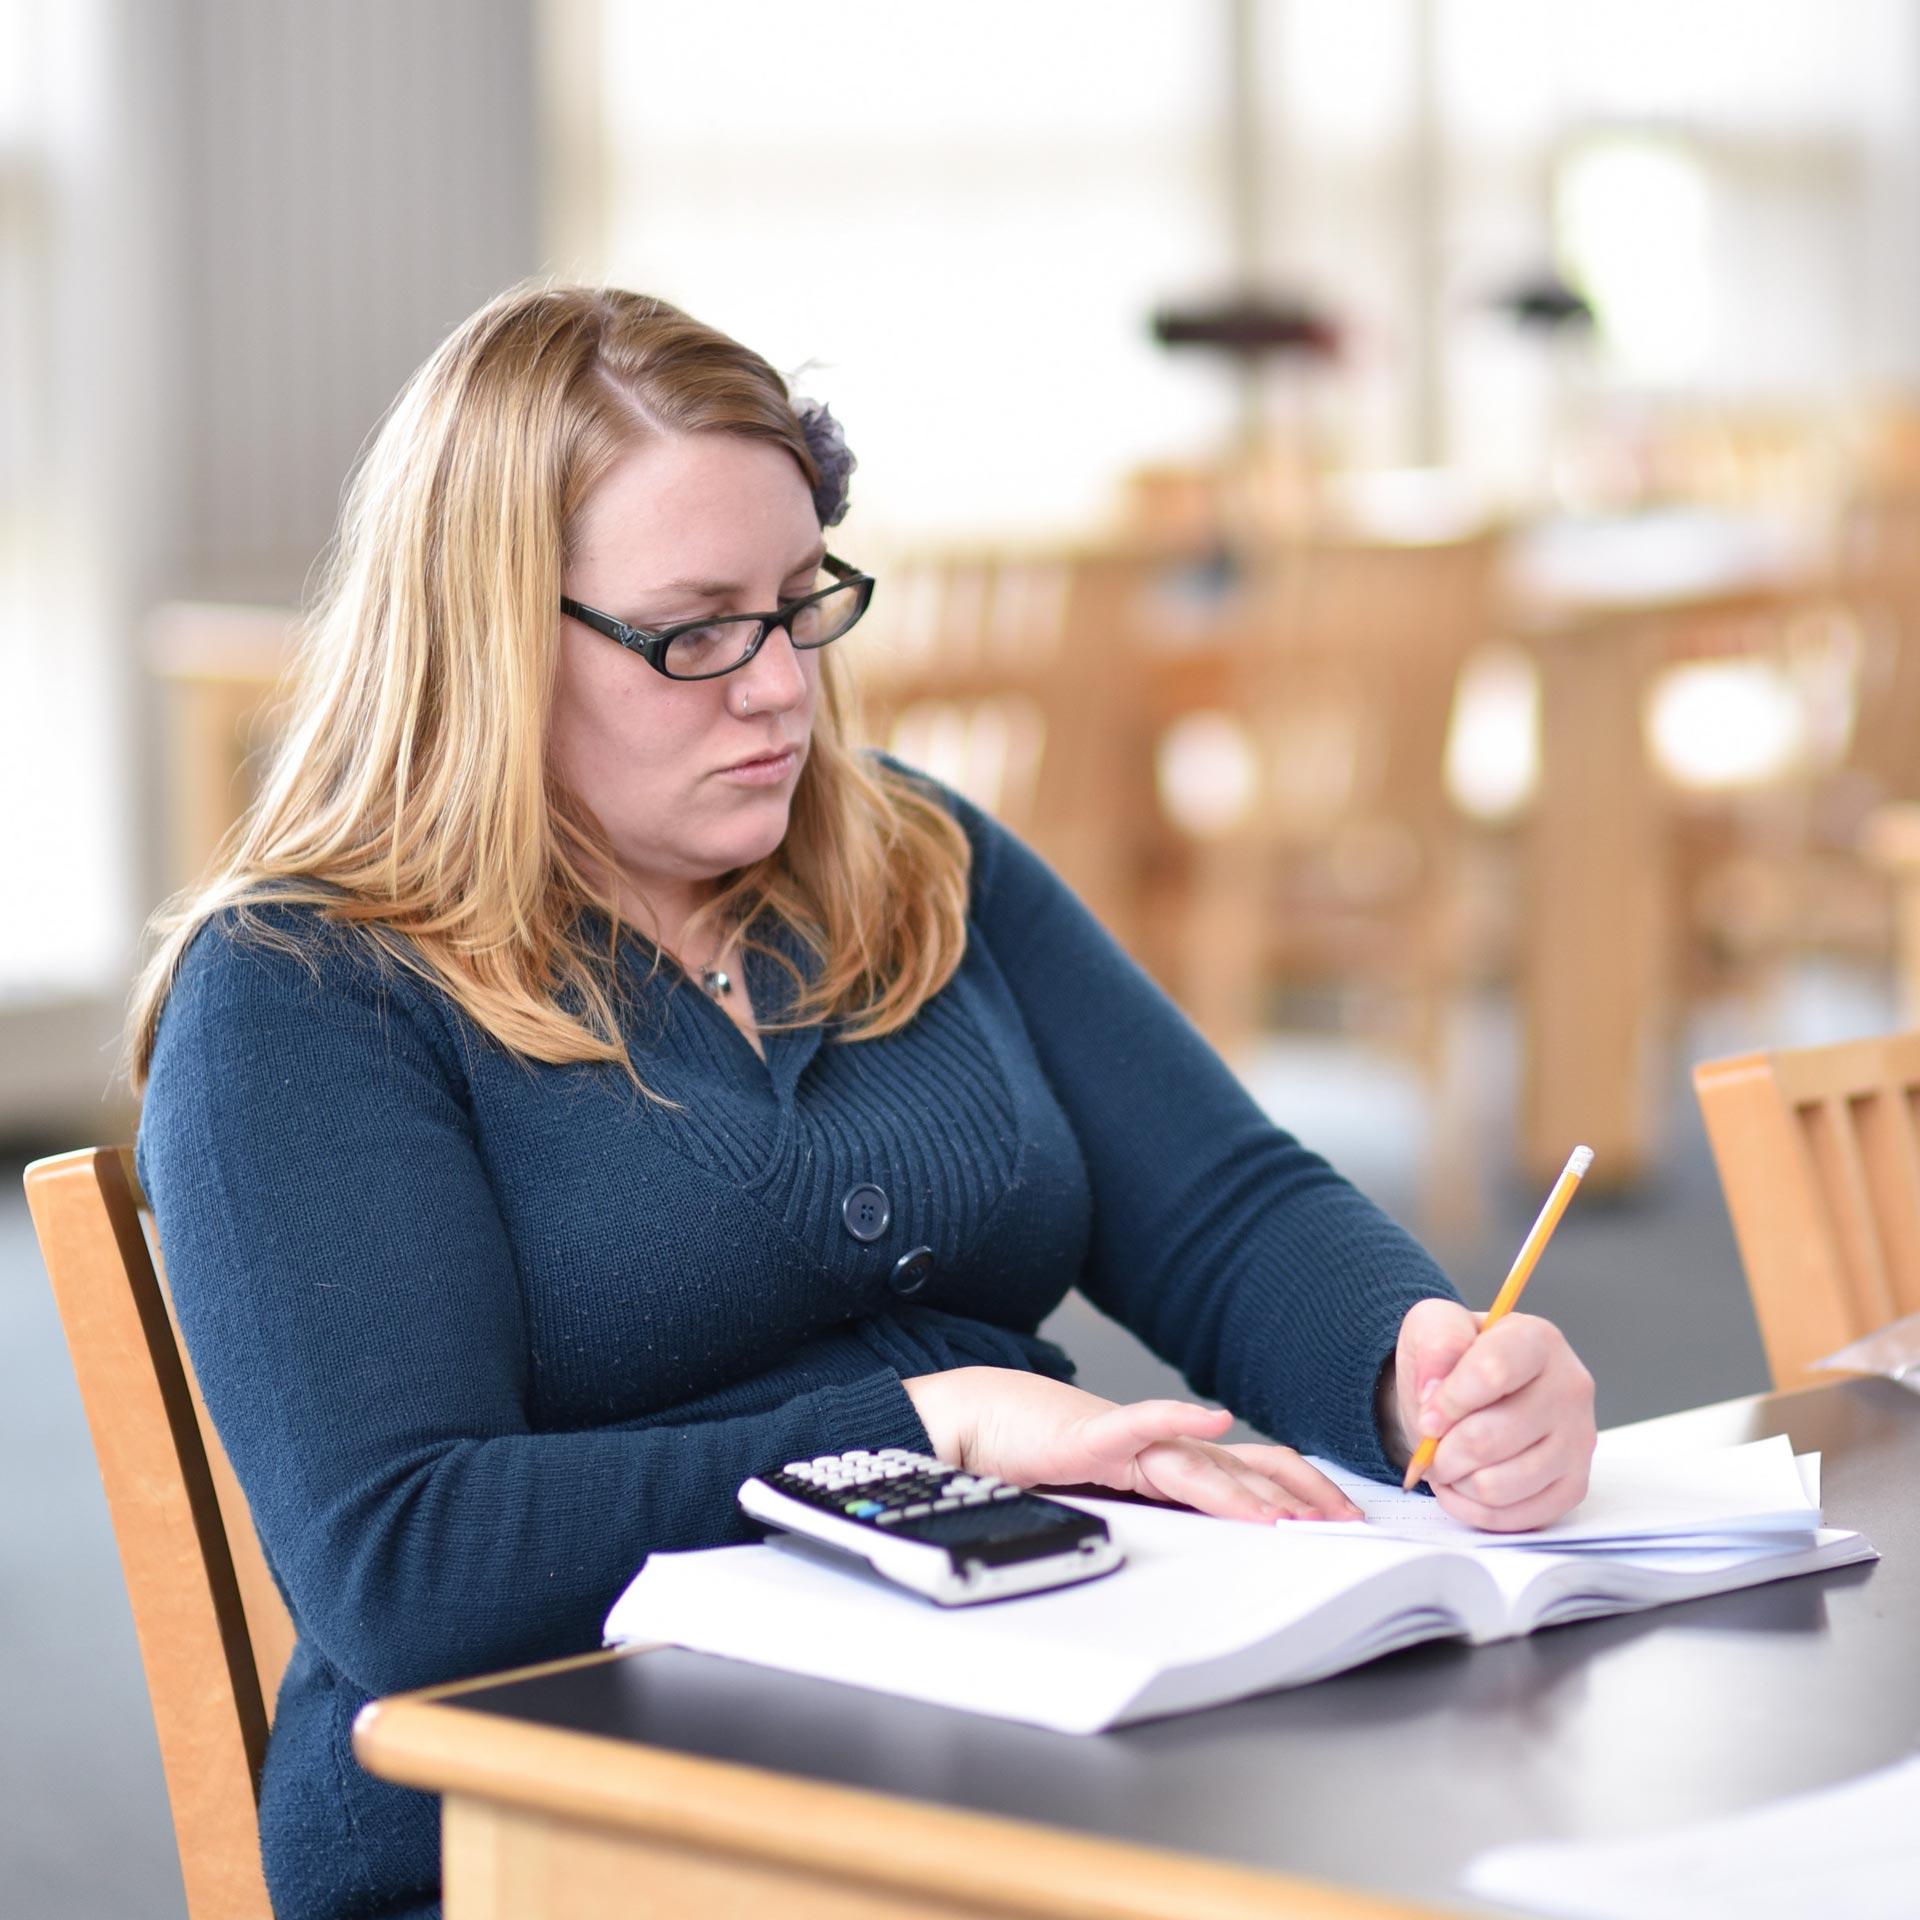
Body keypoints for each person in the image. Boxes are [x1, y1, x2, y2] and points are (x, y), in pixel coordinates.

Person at [130, 283, 1597, 1920]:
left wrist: (1412, 1366)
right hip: (548, 1834)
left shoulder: (915, 856)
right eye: (692, 633)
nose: (775, 690)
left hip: (996, 1703)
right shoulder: (307, 991)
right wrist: (924, 1432)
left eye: (797, 603)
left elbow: (1225, 1207)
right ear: (484, 634)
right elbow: (407, 1562)